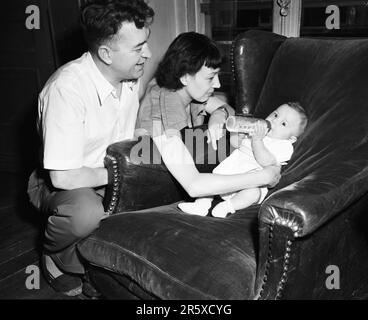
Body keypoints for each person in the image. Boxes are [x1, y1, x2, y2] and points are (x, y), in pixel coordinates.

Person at [27, 0, 154, 296]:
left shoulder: (129, 76)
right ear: (106, 54)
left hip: (104, 171)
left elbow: (119, 131)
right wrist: (126, 174)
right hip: (60, 184)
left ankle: (94, 262)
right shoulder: (66, 89)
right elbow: (63, 178)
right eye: (138, 48)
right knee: (86, 214)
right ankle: (53, 255)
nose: (147, 53)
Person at [136, 32, 281, 208]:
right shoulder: (158, 113)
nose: (217, 84)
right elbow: (193, 185)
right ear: (184, 76)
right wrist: (264, 176)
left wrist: (218, 115)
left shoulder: (185, 91)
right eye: (211, 77)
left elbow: (230, 112)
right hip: (158, 194)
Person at [178, 102, 308, 218]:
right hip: (230, 171)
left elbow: (266, 161)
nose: (274, 121)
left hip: (249, 183)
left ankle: (228, 207)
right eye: (275, 115)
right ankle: (201, 205)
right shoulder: (256, 129)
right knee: (210, 180)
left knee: (252, 194)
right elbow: (235, 144)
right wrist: (238, 134)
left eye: (283, 123)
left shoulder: (283, 146)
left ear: (291, 139)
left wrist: (257, 140)